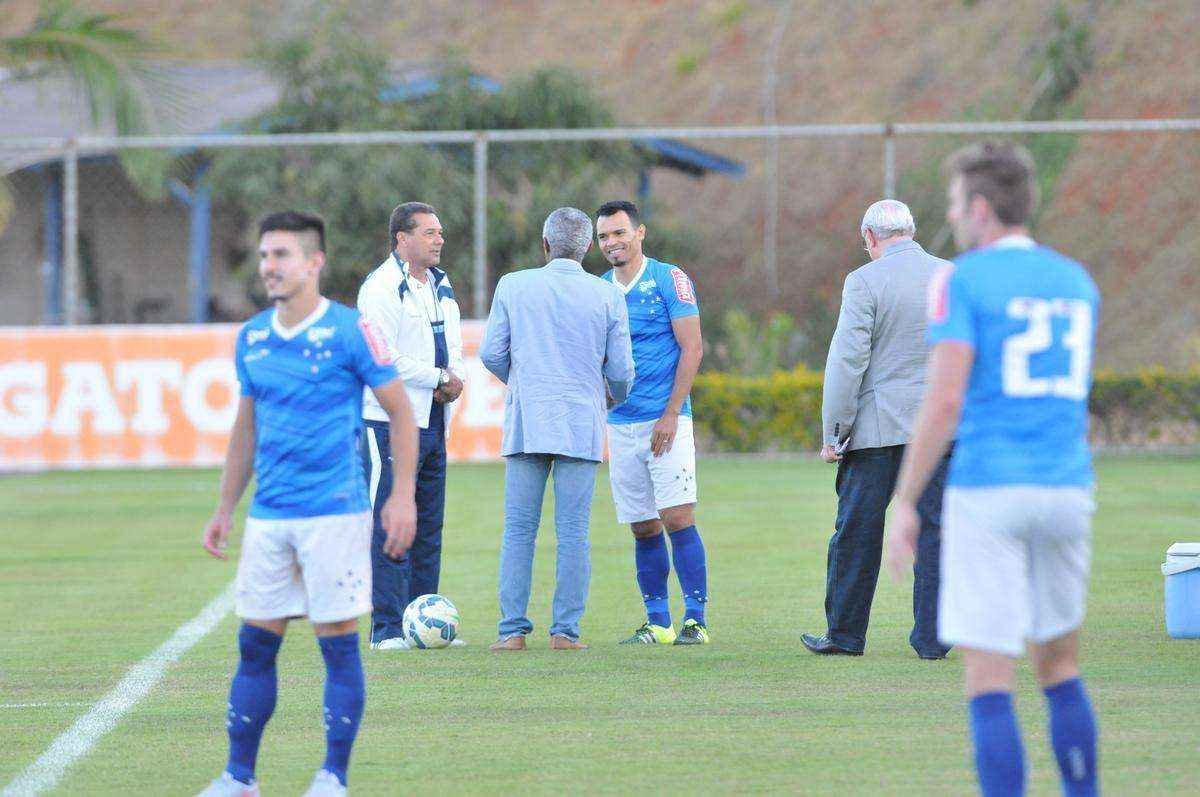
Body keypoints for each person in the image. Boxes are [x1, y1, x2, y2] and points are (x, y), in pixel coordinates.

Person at [886, 141, 1101, 796]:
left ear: (980, 210)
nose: (951, 218)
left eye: (954, 204)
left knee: (989, 676)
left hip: (990, 485)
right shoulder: (1076, 281)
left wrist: (904, 498)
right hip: (1066, 486)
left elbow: (946, 397)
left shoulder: (963, 279)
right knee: (1060, 666)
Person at [198, 211, 418, 797]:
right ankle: (239, 778)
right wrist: (225, 508)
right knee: (254, 644)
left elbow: (400, 412)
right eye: (264, 255)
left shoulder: (351, 331)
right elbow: (245, 430)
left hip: (335, 513)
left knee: (338, 645)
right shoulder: (252, 338)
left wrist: (401, 497)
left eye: (282, 255)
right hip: (270, 515)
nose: (269, 266)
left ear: (314, 262)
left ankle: (332, 778)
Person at [801, 199, 953, 660]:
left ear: (869, 237)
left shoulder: (864, 281)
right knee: (937, 530)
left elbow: (848, 361)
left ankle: (845, 635)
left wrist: (834, 432)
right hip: (942, 427)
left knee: (857, 532)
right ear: (912, 229)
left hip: (878, 431)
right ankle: (933, 639)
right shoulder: (950, 276)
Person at [479, 206, 634, 651]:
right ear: (587, 248)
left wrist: (523, 381)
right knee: (573, 532)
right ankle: (565, 631)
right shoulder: (607, 295)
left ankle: (511, 631)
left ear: (545, 244)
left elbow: (491, 352)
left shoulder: (514, 285)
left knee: (519, 529)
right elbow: (622, 370)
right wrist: (609, 396)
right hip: (581, 419)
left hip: (529, 418)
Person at [594, 200, 710, 646]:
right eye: (604, 236)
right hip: (620, 424)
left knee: (677, 516)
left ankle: (695, 619)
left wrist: (670, 413)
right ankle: (658, 622)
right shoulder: (600, 289)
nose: (612, 243)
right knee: (642, 524)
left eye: (619, 233)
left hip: (667, 420)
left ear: (639, 233)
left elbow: (693, 348)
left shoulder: (669, 279)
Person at [357, 202, 465, 651]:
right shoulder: (381, 287)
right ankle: (386, 629)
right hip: (389, 423)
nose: (439, 239)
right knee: (391, 523)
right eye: (429, 233)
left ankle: (423, 623)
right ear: (401, 238)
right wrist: (439, 378)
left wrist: (453, 377)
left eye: (440, 232)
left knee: (428, 525)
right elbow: (383, 358)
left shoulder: (440, 285)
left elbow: (452, 346)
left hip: (434, 420)